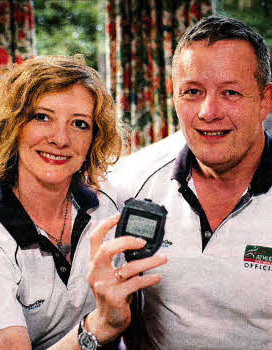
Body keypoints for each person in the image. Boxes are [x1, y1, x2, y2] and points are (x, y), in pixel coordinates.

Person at [96, 14, 272, 349]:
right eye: (192, 91)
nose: (208, 111)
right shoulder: (130, 186)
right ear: (173, 97)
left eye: (230, 92)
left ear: (265, 101)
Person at [0, 55, 167, 350]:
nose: (60, 138)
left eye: (79, 124)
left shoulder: (114, 205)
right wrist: (99, 326)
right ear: (13, 125)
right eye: (42, 117)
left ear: (94, 138)